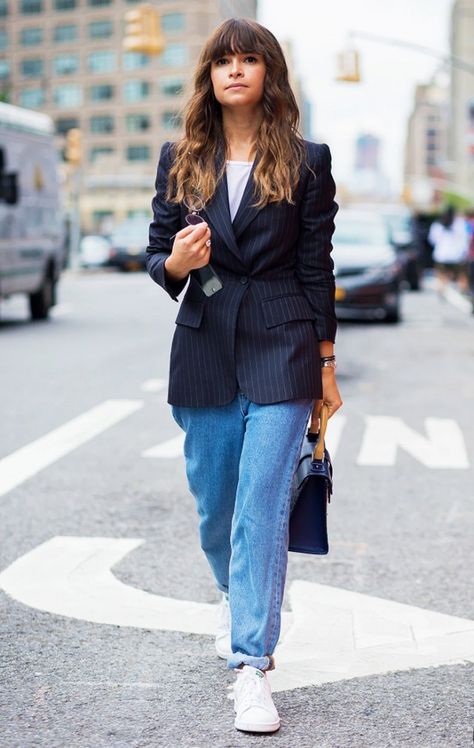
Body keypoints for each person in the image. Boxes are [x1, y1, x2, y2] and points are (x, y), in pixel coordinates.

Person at [146, 17, 342, 734]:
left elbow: (316, 268)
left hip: (283, 342)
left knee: (262, 504)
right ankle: (239, 600)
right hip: (203, 344)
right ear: (210, 74)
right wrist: (179, 265)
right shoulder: (180, 158)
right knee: (216, 507)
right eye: (223, 60)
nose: (235, 70)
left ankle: (251, 665)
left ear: (268, 73)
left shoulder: (306, 159)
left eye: (248, 59)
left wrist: (325, 364)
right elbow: (155, 257)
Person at [428, 206, 469, 295]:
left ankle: (442, 292)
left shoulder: (437, 225)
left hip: (441, 255)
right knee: (460, 276)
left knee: (442, 277)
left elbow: (432, 240)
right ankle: (462, 293)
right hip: (457, 256)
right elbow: (465, 239)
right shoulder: (460, 224)